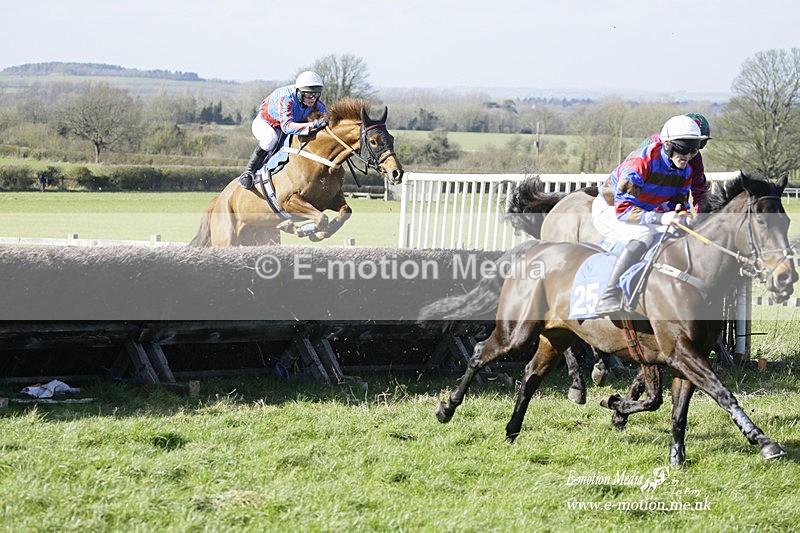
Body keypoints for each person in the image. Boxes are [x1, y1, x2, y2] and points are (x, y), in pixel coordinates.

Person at [592, 114, 707, 315]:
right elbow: (624, 210)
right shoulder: (640, 162)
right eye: (683, 148)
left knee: (677, 234)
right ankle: (607, 295)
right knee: (643, 235)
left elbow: (678, 204)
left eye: (693, 149)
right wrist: (662, 218)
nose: (688, 155)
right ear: (668, 144)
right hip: (610, 209)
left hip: (642, 211)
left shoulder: (685, 171)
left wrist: (684, 214)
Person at [238, 70, 329, 189]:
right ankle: (248, 172)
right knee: (270, 139)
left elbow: (328, 120)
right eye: (309, 95)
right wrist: (313, 124)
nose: (313, 98)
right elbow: (286, 127)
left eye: (316, 94)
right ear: (300, 92)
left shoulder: (318, 104)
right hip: (266, 123)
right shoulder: (286, 98)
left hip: (286, 127)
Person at [639, 112, 712, 212]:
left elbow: (698, 188)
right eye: (685, 147)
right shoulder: (652, 149)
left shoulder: (696, 157)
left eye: (696, 148)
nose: (689, 155)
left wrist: (704, 213)